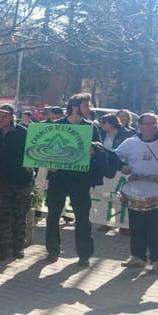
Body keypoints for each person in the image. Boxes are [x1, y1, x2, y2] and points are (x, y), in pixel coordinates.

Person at [115, 113, 158, 275]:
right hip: (135, 189)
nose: (154, 126)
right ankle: (138, 257)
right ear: (140, 126)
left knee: (156, 226)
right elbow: (116, 157)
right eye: (149, 123)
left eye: (155, 123)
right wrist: (122, 167)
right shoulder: (131, 143)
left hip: (157, 190)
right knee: (136, 225)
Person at [44, 93, 106, 266]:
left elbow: (100, 151)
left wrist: (94, 151)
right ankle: (52, 251)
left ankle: (84, 254)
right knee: (53, 215)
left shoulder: (91, 128)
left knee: (82, 217)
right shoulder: (57, 126)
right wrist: (49, 164)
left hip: (80, 180)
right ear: (75, 107)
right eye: (86, 106)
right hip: (58, 178)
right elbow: (45, 151)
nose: (89, 109)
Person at [0, 105, 34, 260]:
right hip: (1, 181)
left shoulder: (23, 132)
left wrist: (31, 167)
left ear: (11, 117)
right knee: (1, 216)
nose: (0, 118)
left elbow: (34, 152)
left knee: (19, 216)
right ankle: (0, 248)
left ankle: (18, 247)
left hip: (21, 181)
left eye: (4, 116)